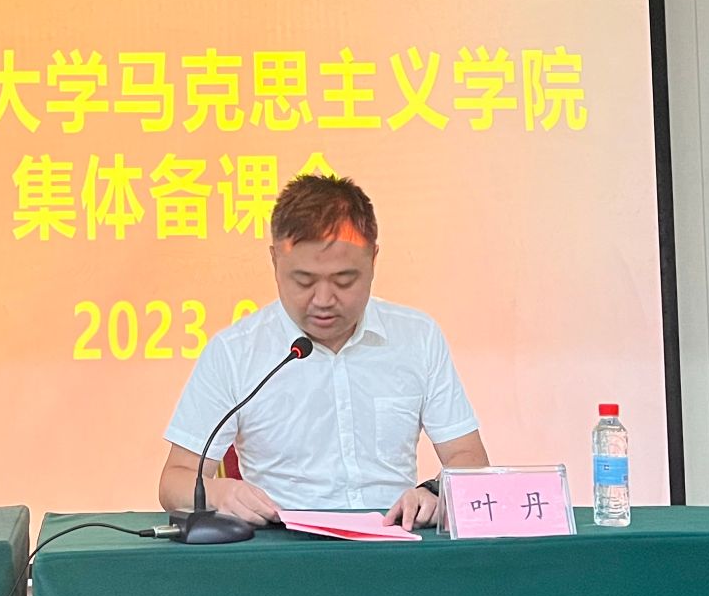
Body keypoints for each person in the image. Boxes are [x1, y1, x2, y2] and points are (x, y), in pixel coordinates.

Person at [158, 173, 488, 530]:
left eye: (344, 280)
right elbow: (175, 480)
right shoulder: (236, 351)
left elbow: (468, 456)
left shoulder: (417, 337)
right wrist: (218, 493)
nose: (324, 300)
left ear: (373, 259)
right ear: (275, 261)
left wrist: (436, 493)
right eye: (304, 281)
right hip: (284, 546)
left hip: (395, 540)